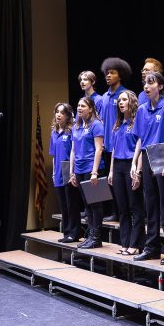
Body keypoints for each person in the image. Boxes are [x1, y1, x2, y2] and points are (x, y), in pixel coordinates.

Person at [131, 72, 164, 264]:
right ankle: (151, 247)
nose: (146, 86)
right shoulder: (142, 110)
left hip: (163, 153)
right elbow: (140, 140)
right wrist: (135, 164)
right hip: (147, 154)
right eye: (145, 82)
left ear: (160, 86)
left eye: (150, 82)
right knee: (150, 205)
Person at [108, 91, 146, 255]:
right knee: (122, 208)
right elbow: (114, 149)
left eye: (124, 100)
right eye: (119, 100)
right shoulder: (117, 124)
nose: (120, 103)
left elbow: (141, 147)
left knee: (135, 207)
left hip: (131, 165)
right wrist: (110, 170)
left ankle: (136, 244)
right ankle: (125, 243)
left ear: (132, 102)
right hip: (117, 166)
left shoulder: (137, 122)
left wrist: (138, 170)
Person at [69, 96, 106, 248]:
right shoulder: (76, 127)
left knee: (95, 204)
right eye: (78, 105)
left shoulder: (96, 125)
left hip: (92, 168)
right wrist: (72, 172)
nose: (79, 108)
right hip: (79, 169)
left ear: (90, 108)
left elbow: (99, 149)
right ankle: (90, 236)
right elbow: (73, 150)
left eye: (83, 105)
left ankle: (96, 238)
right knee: (87, 205)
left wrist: (95, 172)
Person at [98, 58, 131, 222]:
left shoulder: (124, 95)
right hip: (105, 145)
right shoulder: (104, 97)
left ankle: (123, 212)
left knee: (122, 182)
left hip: (120, 145)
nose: (108, 76)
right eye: (106, 73)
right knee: (108, 181)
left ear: (120, 74)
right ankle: (112, 211)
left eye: (112, 73)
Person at [49, 103, 81, 243]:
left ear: (68, 115)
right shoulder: (54, 132)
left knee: (71, 203)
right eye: (57, 112)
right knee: (62, 204)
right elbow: (54, 155)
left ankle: (74, 232)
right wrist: (54, 172)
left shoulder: (71, 130)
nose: (58, 115)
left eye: (62, 112)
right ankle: (67, 232)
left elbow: (75, 152)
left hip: (68, 167)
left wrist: (72, 171)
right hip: (58, 170)